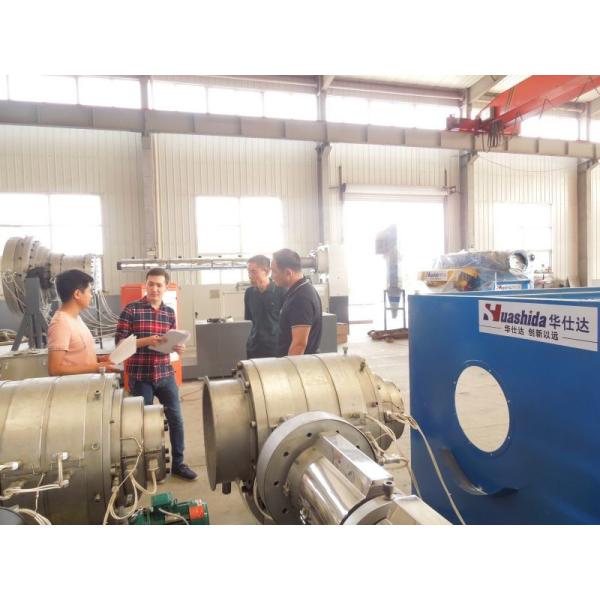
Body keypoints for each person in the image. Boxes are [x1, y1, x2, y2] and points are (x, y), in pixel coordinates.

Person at [115, 267, 197, 481]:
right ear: (146, 285)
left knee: (176, 420)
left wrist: (177, 348)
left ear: (165, 287)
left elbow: (171, 341)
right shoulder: (131, 310)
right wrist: (146, 341)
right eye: (151, 284)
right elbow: (120, 344)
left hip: (165, 374)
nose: (154, 289)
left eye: (159, 285)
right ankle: (149, 469)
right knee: (144, 425)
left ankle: (178, 464)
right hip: (141, 376)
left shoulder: (169, 313)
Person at [48, 269, 117, 376]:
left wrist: (98, 360)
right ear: (77, 294)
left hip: (86, 383)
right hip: (75, 386)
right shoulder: (60, 323)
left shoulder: (76, 318)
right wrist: (96, 367)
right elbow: (55, 370)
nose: (91, 296)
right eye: (89, 291)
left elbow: (76, 357)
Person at [270, 248, 322, 357]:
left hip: (299, 365)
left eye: (274, 271)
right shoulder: (299, 290)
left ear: (288, 273)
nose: (272, 276)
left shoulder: (301, 298)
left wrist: (289, 367)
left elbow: (299, 344)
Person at [244, 254, 285, 359]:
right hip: (254, 348)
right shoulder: (249, 293)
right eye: (248, 272)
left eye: (253, 272)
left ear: (267, 272)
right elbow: (250, 319)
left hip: (275, 349)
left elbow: (287, 323)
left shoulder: (281, 291)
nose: (250, 276)